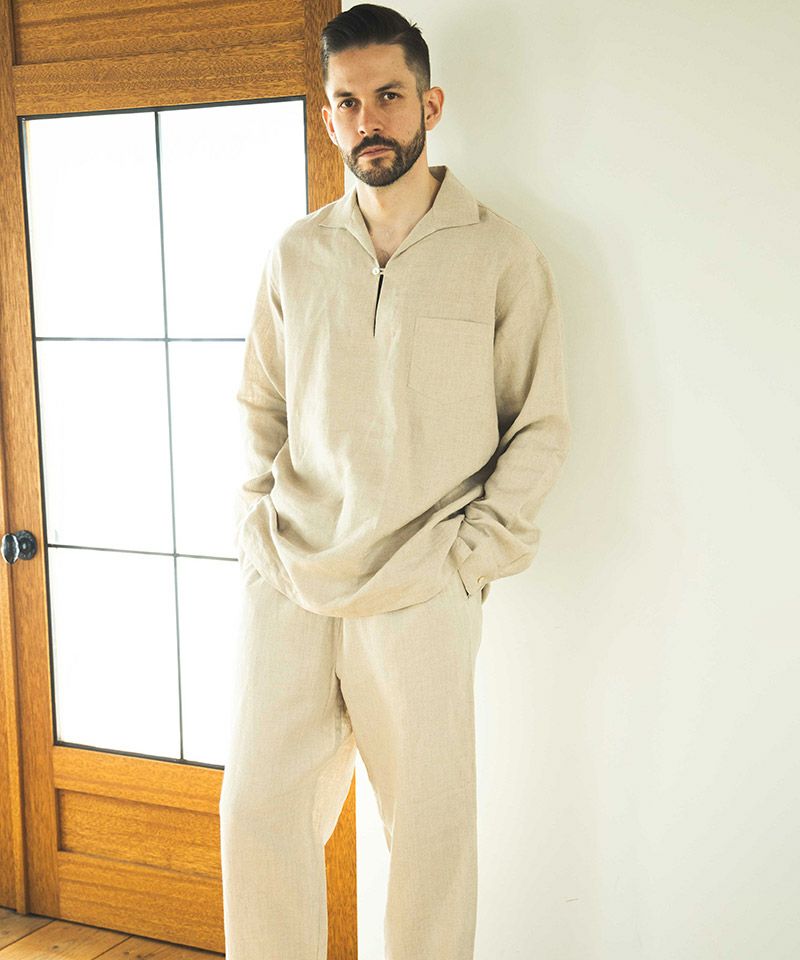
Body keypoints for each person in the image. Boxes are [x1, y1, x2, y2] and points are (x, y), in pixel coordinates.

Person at [218, 4, 572, 959]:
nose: (368, 119)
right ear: (328, 118)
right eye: (348, 102)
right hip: (291, 576)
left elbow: (538, 425)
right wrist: (257, 525)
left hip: (420, 585)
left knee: (427, 840)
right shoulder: (296, 253)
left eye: (388, 96)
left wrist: (466, 562)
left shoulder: (500, 255)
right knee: (257, 815)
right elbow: (259, 403)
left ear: (431, 104)